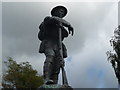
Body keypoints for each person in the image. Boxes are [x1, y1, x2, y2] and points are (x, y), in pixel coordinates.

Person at [38, 5, 74, 84]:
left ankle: (55, 82)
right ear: (54, 12)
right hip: (49, 42)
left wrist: (61, 26)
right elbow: (52, 19)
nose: (62, 13)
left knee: (58, 63)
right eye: (60, 11)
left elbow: (65, 34)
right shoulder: (48, 19)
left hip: (58, 45)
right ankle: (46, 79)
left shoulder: (61, 27)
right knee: (50, 57)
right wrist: (68, 24)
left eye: (63, 12)